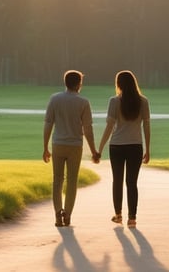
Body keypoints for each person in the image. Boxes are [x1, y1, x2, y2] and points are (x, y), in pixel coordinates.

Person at [43, 70, 100, 227]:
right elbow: (87, 129)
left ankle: (57, 214)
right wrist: (94, 151)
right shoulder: (83, 102)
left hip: (58, 144)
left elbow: (48, 124)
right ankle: (67, 214)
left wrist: (45, 147)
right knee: (72, 181)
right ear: (78, 84)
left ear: (65, 82)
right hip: (75, 146)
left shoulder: (55, 99)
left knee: (57, 180)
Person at [96, 70, 151, 228]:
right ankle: (132, 218)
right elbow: (146, 126)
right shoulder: (143, 101)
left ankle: (118, 214)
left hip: (117, 146)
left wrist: (100, 148)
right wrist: (147, 149)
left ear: (119, 84)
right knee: (132, 183)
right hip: (135, 146)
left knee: (117, 181)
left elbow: (109, 127)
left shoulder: (114, 101)